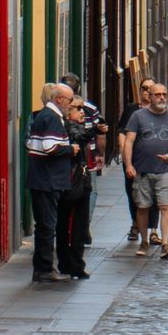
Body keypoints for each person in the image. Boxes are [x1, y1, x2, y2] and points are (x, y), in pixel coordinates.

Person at [120, 80, 168, 255]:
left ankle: (165, 243)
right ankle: (144, 242)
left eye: (164, 94)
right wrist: (129, 165)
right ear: (150, 96)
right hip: (143, 169)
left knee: (165, 206)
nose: (162, 97)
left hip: (166, 170)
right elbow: (129, 141)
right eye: (157, 94)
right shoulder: (138, 116)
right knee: (143, 206)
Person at [25, 82, 76, 283]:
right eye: (70, 100)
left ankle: (42, 267)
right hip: (48, 180)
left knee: (44, 226)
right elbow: (50, 147)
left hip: (41, 179)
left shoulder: (44, 116)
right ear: (59, 99)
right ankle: (45, 269)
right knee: (47, 225)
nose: (71, 104)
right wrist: (71, 150)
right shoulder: (52, 118)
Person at [57, 72, 105, 280]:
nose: (82, 112)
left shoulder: (74, 124)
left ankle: (72, 263)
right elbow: (78, 138)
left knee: (76, 224)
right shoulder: (69, 127)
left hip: (80, 180)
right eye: (77, 109)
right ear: (68, 111)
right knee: (70, 224)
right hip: (72, 182)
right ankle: (71, 263)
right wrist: (93, 130)